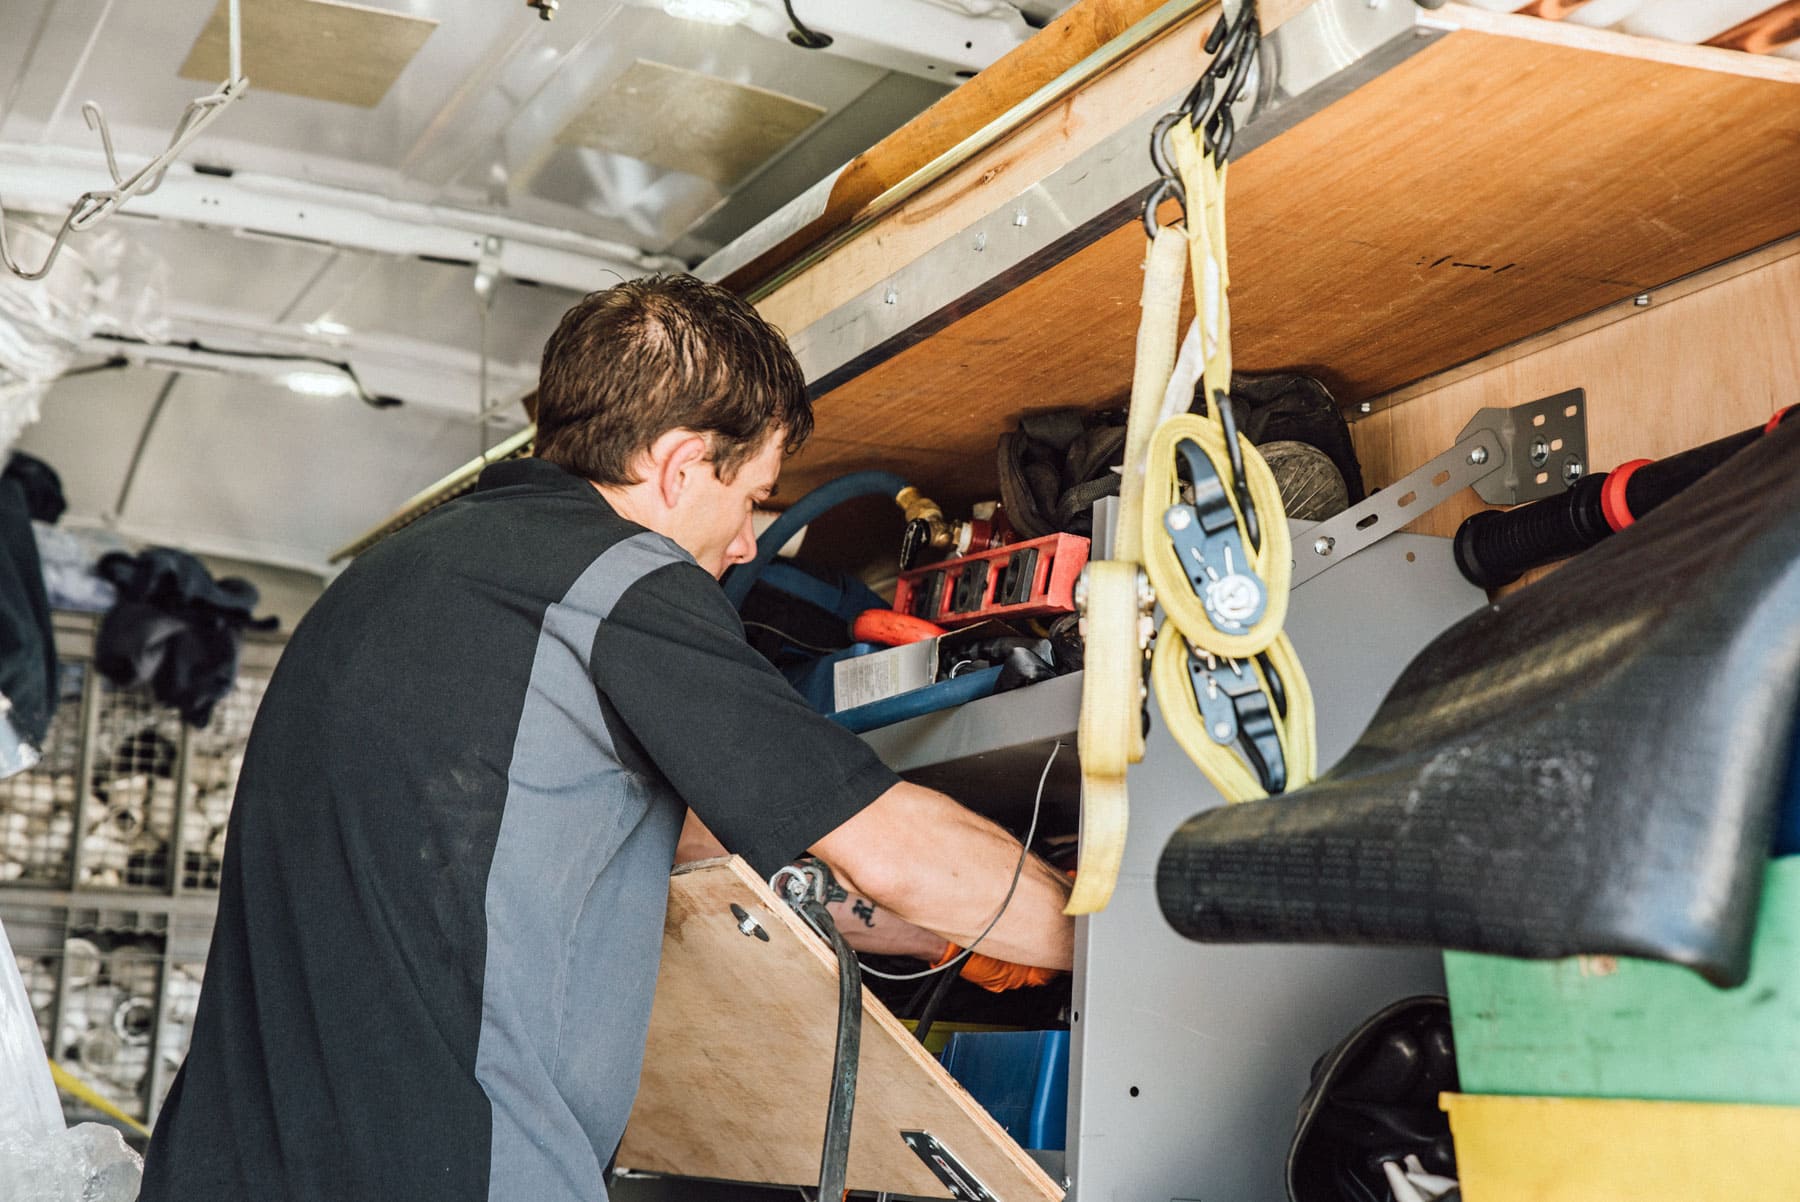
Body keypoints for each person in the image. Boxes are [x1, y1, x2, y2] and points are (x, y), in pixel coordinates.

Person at [139, 274, 1074, 1202]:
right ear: (678, 466)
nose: (750, 541)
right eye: (752, 496)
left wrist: (920, 932)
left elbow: (663, 845)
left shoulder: (389, 579)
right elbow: (894, 847)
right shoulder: (620, 580)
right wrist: (1095, 934)